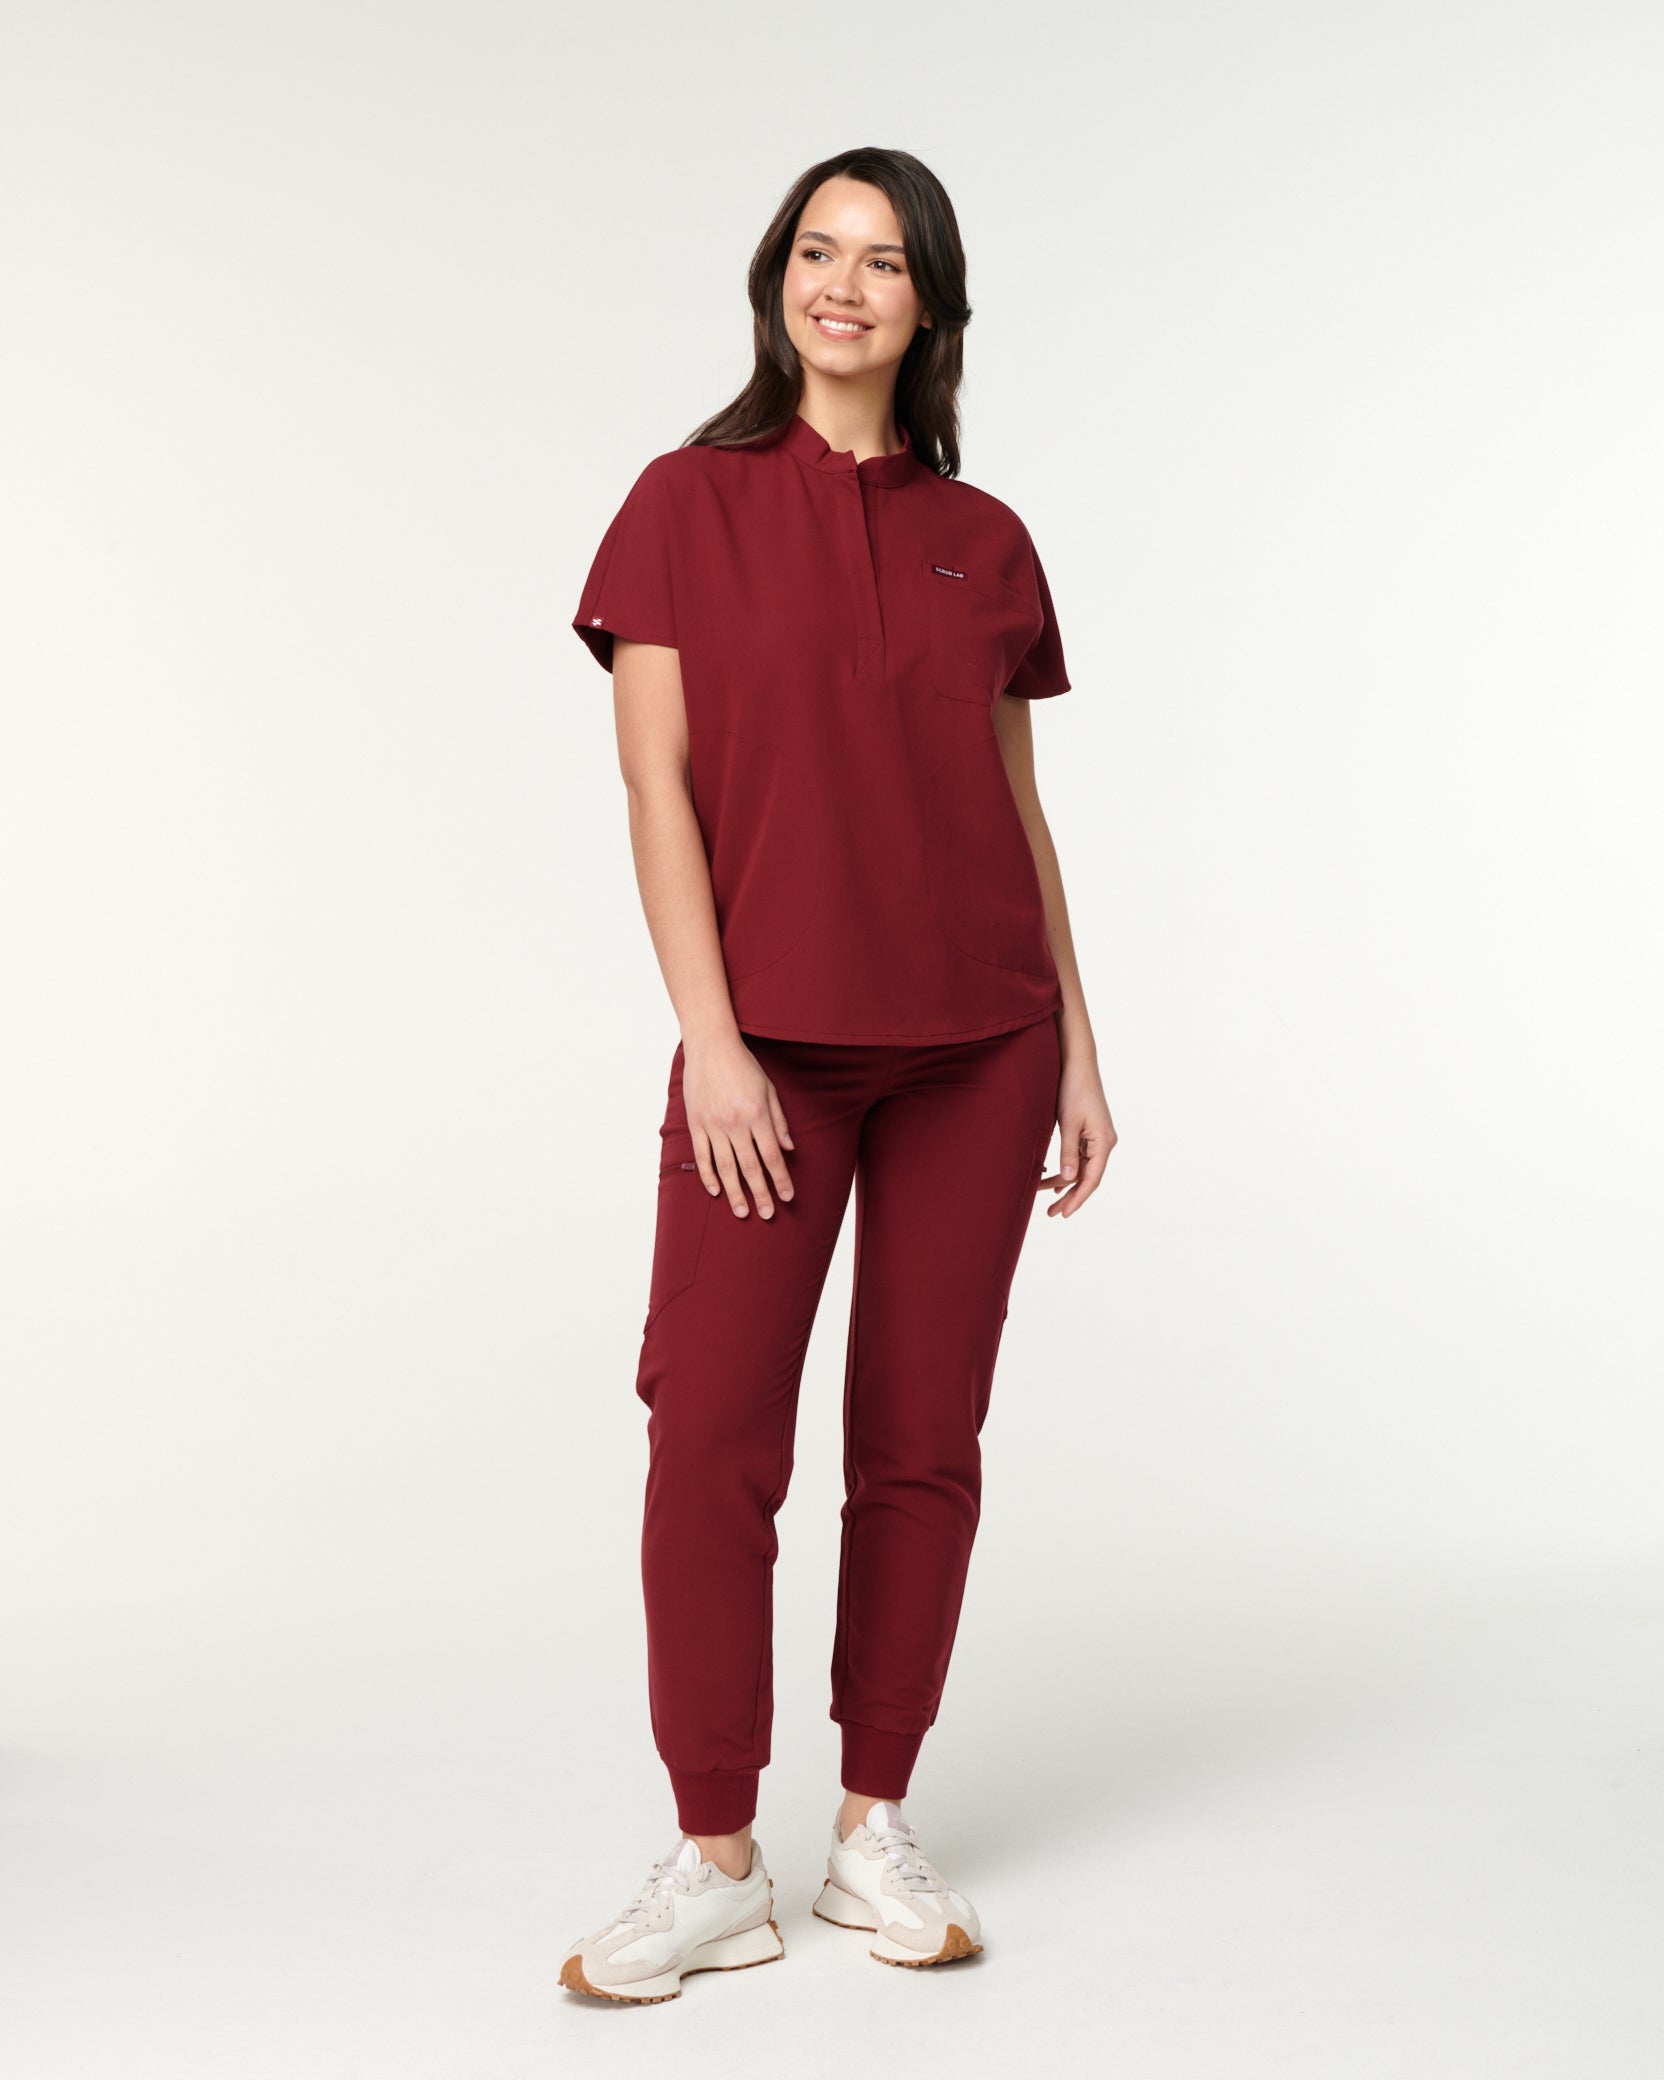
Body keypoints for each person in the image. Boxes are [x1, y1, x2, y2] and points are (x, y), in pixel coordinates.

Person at [559, 145, 1116, 2003]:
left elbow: (1018, 808)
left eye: (883, 261)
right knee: (712, 1433)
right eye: (818, 251)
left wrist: (1078, 1045)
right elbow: (655, 789)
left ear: (930, 302)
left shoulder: (988, 539)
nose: (844, 286)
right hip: (772, 1055)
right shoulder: (681, 505)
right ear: (775, 279)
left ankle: (874, 1821)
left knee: (920, 1440)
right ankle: (717, 1855)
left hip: (980, 1047)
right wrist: (714, 1042)